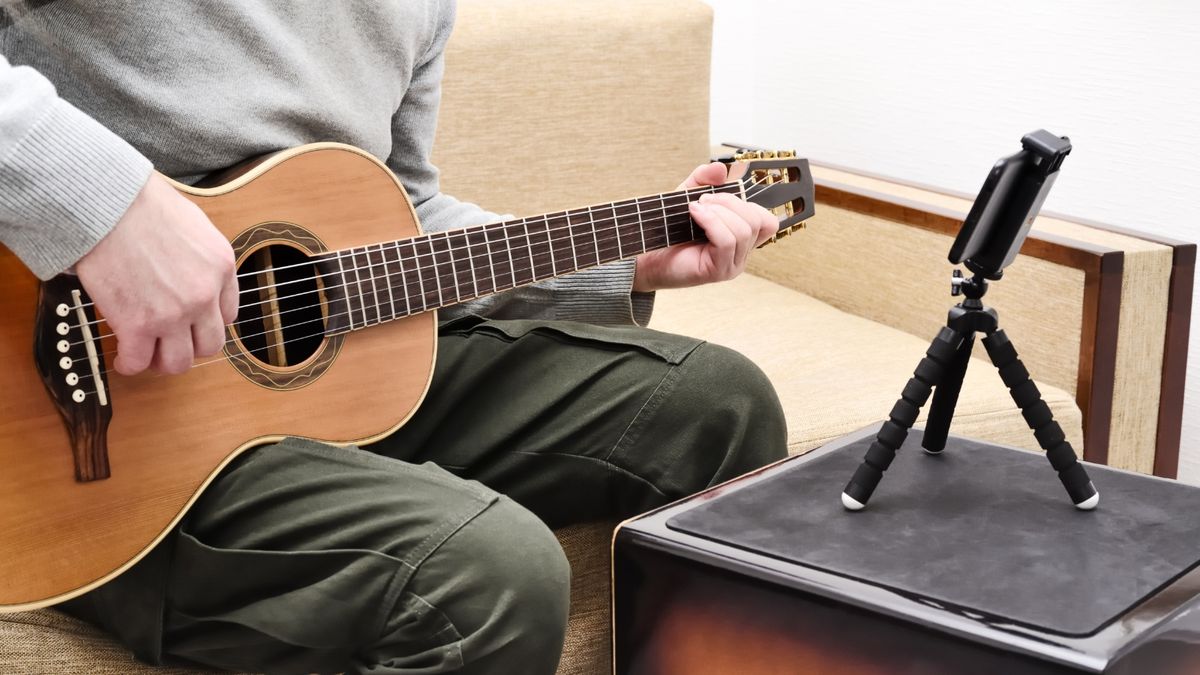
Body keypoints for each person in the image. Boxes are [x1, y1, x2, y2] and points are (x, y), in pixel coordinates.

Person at [0, 2, 787, 673]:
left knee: (720, 405)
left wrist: (629, 261)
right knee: (489, 573)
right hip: (95, 447)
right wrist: (104, 206)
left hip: (315, 372)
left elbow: (400, 216)